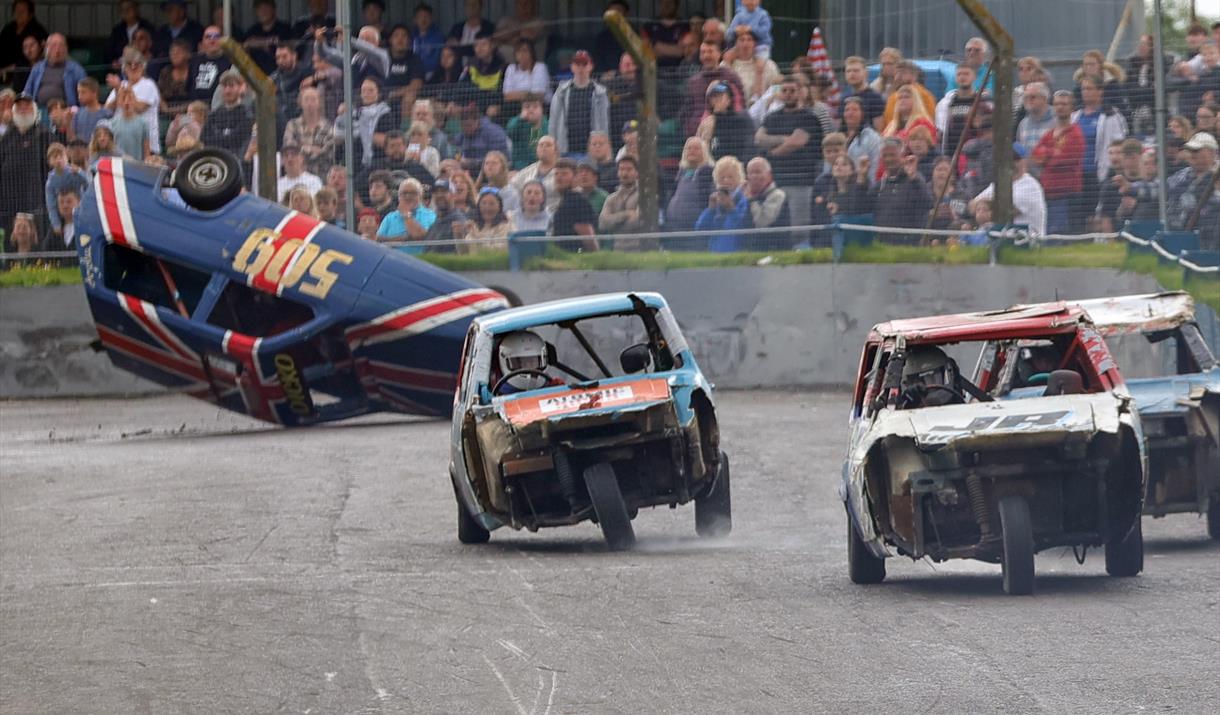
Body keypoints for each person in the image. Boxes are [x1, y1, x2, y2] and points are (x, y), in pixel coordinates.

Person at [756, 75, 823, 228]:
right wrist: (783, 139)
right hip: (776, 180)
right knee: (776, 222)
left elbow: (796, 142)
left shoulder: (809, 117)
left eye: (792, 90)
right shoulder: (772, 117)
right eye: (784, 90)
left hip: (802, 181)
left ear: (800, 92)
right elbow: (759, 139)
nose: (788, 93)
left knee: (799, 224)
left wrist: (772, 153)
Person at [1071, 75, 1127, 232]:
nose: (1086, 92)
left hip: (1099, 173)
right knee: (1082, 214)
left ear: (1100, 91)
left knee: (1098, 213)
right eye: (1083, 89)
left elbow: (1119, 142)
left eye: (1089, 88)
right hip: (1078, 174)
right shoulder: (1075, 116)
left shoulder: (1111, 115)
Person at [970, 143, 1047, 236]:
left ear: (1025, 161)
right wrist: (986, 207)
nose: (1011, 162)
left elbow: (1005, 212)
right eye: (1007, 159)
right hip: (1001, 238)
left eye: (1016, 159)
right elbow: (972, 206)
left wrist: (984, 206)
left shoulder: (1030, 186)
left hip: (1026, 241)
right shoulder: (999, 183)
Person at [549, 50, 610, 158]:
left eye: (584, 64)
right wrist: (552, 144)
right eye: (577, 64)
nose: (580, 68)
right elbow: (553, 120)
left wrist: (604, 149)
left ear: (590, 66)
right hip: (565, 150)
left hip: (591, 152)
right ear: (572, 67)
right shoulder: (561, 91)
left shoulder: (600, 93)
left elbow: (604, 124)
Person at [681, 40, 746, 138]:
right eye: (703, 52)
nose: (706, 56)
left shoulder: (731, 77)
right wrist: (689, 128)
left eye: (710, 52)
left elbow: (741, 105)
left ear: (719, 54)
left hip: (726, 130)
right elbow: (687, 110)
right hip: (697, 133)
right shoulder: (693, 81)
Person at [105, 48, 161, 154]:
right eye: (129, 64)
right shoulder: (120, 86)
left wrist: (128, 92)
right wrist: (118, 90)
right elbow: (107, 110)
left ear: (143, 66)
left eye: (137, 64)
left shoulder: (149, 85)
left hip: (145, 146)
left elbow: (139, 108)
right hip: (121, 145)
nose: (133, 67)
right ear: (124, 68)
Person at [872, 138, 932, 231]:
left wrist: (914, 178)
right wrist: (861, 180)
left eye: (892, 155)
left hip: (908, 243)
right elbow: (862, 208)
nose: (888, 159)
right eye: (885, 155)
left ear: (902, 156)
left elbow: (928, 203)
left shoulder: (915, 179)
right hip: (882, 243)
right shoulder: (880, 185)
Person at [695, 156, 751, 252]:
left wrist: (731, 209)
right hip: (715, 255)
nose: (726, 180)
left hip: (736, 254)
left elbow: (744, 230)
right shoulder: (715, 202)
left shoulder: (743, 201)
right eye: (722, 177)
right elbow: (700, 230)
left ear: (739, 179)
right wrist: (710, 210)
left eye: (730, 177)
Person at [1167, 132, 1220, 231]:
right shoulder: (1183, 174)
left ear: (1212, 152)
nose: (1192, 154)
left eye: (1196, 150)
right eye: (1190, 150)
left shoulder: (1217, 174)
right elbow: (1169, 189)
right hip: (1181, 231)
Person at [337, 77, 394, 169]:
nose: (366, 94)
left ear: (379, 93)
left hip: (376, 161)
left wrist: (358, 130)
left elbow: (384, 140)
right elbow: (338, 137)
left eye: (370, 91)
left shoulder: (385, 113)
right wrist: (341, 116)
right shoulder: (354, 112)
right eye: (363, 90)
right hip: (353, 160)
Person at [696, 81, 756, 162]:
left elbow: (749, 148)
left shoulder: (742, 119)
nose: (717, 99)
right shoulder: (707, 124)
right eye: (714, 96)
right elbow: (701, 151)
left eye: (720, 95)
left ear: (729, 99)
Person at [282, 87, 335, 178]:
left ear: (319, 103)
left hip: (321, 176)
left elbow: (327, 154)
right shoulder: (292, 125)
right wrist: (314, 149)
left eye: (313, 99)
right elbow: (290, 149)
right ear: (300, 103)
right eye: (306, 99)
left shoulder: (328, 126)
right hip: (297, 176)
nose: (310, 103)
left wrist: (301, 148)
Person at [22, 33, 85, 108]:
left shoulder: (76, 69)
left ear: (66, 49)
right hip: (39, 111)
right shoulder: (37, 68)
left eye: (61, 46)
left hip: (65, 112)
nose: (57, 50)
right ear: (47, 48)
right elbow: (27, 92)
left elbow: (85, 95)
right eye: (53, 46)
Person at [666, 136, 715, 233]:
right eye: (689, 148)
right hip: (675, 225)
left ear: (704, 152)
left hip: (694, 226)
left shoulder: (707, 172)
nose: (692, 151)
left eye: (696, 148)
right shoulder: (682, 172)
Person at [315, 25, 389, 87]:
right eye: (361, 39)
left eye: (368, 39)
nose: (363, 42)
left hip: (377, 102)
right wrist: (319, 42)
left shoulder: (382, 55)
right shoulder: (354, 58)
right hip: (354, 102)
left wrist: (349, 39)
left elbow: (372, 51)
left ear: (377, 43)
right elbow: (325, 54)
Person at [201, 70, 253, 159]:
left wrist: (218, 137)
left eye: (231, 86)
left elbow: (239, 138)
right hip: (214, 157)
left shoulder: (247, 113)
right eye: (225, 86)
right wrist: (226, 138)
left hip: (237, 159)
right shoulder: (213, 115)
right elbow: (204, 138)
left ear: (240, 87)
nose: (227, 90)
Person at [550, 158, 599, 251]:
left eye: (564, 174)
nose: (559, 178)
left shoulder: (578, 201)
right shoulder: (565, 200)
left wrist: (595, 257)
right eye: (556, 174)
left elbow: (587, 236)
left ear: (576, 177)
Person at [598, 155, 647, 248]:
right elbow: (602, 224)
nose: (624, 173)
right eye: (621, 169)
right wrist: (627, 214)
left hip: (639, 250)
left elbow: (640, 222)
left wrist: (613, 222)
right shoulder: (611, 198)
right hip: (617, 251)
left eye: (629, 169)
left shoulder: (645, 195)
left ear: (637, 172)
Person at [896, 346, 964, 410]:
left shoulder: (965, 409)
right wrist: (909, 405)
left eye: (932, 378)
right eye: (919, 381)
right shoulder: (904, 414)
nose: (927, 386)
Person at [451, 102, 510, 175]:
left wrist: (472, 163)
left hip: (493, 172)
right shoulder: (462, 136)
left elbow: (500, 159)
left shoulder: (494, 133)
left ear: (477, 121)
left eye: (469, 125)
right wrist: (457, 158)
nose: (466, 129)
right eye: (463, 126)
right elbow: (456, 150)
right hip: (469, 173)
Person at [725, 27, 781, 104]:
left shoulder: (769, 65)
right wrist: (727, 64)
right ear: (736, 44)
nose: (745, 44)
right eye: (741, 40)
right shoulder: (726, 65)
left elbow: (777, 88)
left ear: (755, 44)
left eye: (749, 40)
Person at [43, 142, 87, 239]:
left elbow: (89, 184)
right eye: (55, 157)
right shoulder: (50, 182)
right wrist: (56, 224)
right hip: (63, 216)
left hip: (82, 213)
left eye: (61, 156)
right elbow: (51, 205)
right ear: (50, 162)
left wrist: (80, 172)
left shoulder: (74, 172)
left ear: (67, 158)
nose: (59, 160)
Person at [934, 63, 981, 155]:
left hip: (974, 153)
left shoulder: (981, 101)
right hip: (951, 152)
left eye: (966, 74)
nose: (962, 77)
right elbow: (940, 131)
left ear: (974, 77)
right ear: (955, 78)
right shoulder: (946, 103)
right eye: (959, 74)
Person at [377, 178, 436, 249]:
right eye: (404, 193)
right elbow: (378, 240)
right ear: (399, 197)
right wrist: (404, 238)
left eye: (413, 193)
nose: (408, 196)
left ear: (420, 196)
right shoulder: (390, 217)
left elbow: (418, 236)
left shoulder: (430, 215)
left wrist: (406, 215)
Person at [744, 157, 790, 247]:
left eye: (758, 172)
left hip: (774, 249)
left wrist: (751, 200)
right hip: (748, 250)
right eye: (751, 173)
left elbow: (762, 222)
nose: (754, 176)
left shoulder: (778, 195)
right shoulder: (744, 193)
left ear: (769, 175)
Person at [383, 23, 426, 119]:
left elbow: (416, 85)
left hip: (403, 98)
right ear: (390, 40)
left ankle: (404, 131)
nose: (400, 39)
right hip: (382, 97)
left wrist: (394, 94)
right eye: (396, 35)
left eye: (404, 36)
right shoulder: (383, 57)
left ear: (409, 41)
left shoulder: (414, 59)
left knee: (409, 97)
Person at [243, 0, 293, 76]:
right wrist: (265, 42)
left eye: (266, 8)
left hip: (279, 74)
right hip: (255, 76)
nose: (263, 12)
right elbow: (244, 46)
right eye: (260, 9)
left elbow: (281, 44)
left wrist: (255, 43)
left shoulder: (284, 28)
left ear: (273, 10)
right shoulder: (252, 31)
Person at [881, 61, 936, 128]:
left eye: (903, 73)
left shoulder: (925, 95)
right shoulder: (893, 97)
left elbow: (929, 120)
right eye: (896, 73)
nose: (898, 77)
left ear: (914, 76)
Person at [511, 134, 559, 210]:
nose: (544, 148)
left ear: (556, 151)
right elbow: (513, 186)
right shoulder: (528, 170)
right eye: (541, 145)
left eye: (548, 145)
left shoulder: (561, 171)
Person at [841, 56, 885, 131]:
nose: (852, 74)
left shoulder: (875, 98)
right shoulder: (844, 98)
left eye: (856, 71)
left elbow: (879, 130)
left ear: (866, 73)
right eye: (848, 71)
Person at [424, 178, 471, 248]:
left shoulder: (459, 221)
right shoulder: (434, 225)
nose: (439, 195)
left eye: (444, 191)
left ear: (453, 195)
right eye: (436, 192)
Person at [506, 93, 548, 170]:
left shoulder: (547, 124)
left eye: (535, 106)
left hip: (543, 166)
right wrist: (520, 119)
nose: (531, 110)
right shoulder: (517, 123)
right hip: (521, 167)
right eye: (527, 107)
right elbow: (509, 131)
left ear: (541, 108)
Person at [841, 96, 881, 179]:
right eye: (847, 110)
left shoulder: (871, 137)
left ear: (863, 113)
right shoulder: (839, 136)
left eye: (855, 110)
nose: (850, 113)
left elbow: (875, 165)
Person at [643, 0, 688, 69]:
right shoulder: (648, 26)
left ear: (676, 5)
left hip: (679, 72)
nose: (666, 5)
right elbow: (645, 51)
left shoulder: (684, 26)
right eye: (663, 2)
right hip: (653, 71)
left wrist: (656, 46)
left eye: (669, 2)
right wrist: (673, 49)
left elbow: (682, 51)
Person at [108, 1, 154, 67]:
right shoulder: (117, 31)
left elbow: (153, 49)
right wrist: (114, 62)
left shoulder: (147, 27)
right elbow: (110, 52)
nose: (125, 12)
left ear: (136, 9)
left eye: (128, 8)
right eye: (122, 10)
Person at [463, 187, 510, 252]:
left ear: (499, 207)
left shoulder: (506, 226)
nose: (487, 207)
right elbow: (464, 253)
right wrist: (458, 234)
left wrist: (476, 236)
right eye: (484, 203)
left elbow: (496, 252)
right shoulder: (474, 226)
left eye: (492, 204)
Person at [109, 86, 150, 159]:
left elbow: (146, 148)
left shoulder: (143, 123)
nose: (126, 102)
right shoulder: (112, 123)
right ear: (119, 102)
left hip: (137, 164)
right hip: (118, 165)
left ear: (134, 101)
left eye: (130, 99)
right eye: (123, 99)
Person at [1016, 82, 1053, 160]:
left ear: (1044, 99)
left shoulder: (1057, 121)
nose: (1028, 100)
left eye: (1033, 97)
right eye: (1026, 97)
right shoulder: (1023, 124)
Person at [157, 39, 193, 118]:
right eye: (172, 52)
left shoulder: (194, 70)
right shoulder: (166, 71)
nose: (174, 55)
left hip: (189, 112)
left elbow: (196, 97)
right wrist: (166, 109)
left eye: (178, 52)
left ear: (188, 54)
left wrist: (176, 110)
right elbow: (159, 94)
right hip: (166, 113)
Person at [72, 78, 110, 144]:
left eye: (83, 92)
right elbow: (73, 137)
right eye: (79, 92)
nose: (80, 96)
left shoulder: (107, 114)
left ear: (94, 93)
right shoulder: (78, 114)